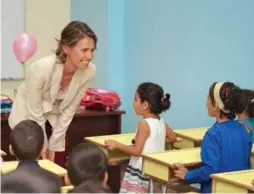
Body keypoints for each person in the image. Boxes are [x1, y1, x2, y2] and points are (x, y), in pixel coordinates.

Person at [8, 21, 97, 165]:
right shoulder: (41, 68)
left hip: (54, 116)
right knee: (30, 159)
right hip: (28, 114)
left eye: (92, 50)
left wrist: (54, 145)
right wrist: (41, 143)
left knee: (54, 159)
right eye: (84, 50)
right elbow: (34, 110)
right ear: (66, 48)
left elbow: (70, 109)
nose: (89, 56)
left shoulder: (89, 71)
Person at [174, 82, 252, 193]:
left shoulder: (213, 134)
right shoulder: (245, 130)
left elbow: (210, 170)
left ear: (216, 105)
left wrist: (188, 175)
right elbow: (247, 166)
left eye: (208, 98)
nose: (206, 103)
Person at [105, 82, 177, 193]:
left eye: (135, 99)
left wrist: (116, 144)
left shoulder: (144, 123)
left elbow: (137, 151)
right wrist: (155, 142)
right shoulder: (160, 121)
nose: (133, 103)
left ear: (145, 105)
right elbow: (173, 137)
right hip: (155, 168)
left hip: (142, 168)